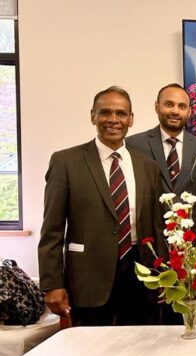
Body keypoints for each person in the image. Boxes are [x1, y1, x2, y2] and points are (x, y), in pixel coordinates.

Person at [38, 86, 165, 326]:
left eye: (121, 113)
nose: (113, 120)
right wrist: (52, 284)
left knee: (141, 352)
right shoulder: (66, 162)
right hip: (88, 279)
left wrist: (164, 275)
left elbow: (157, 227)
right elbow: (52, 230)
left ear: (131, 119)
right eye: (105, 112)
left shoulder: (148, 166)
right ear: (93, 116)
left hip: (140, 276)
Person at [126, 83, 196, 234]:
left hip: (189, 244)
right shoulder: (134, 145)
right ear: (157, 107)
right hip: (148, 240)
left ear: (189, 112)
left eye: (182, 106)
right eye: (169, 104)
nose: (175, 111)